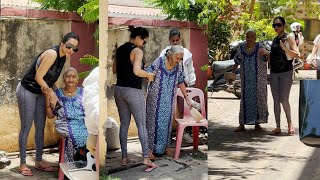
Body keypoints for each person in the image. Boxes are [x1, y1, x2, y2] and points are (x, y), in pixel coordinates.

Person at [16, 32, 79, 176]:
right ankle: (23, 163)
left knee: (41, 126)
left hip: (40, 92)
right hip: (28, 89)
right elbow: (38, 77)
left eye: (75, 49)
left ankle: (38, 161)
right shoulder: (52, 54)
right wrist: (51, 94)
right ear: (62, 43)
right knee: (26, 126)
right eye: (69, 46)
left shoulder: (63, 57)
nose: (71, 50)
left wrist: (59, 94)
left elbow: (49, 79)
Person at [112, 26, 157, 172]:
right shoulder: (137, 51)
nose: (144, 44)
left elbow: (114, 70)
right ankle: (145, 157)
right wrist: (149, 75)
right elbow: (137, 71)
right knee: (141, 125)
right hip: (133, 91)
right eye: (144, 42)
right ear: (139, 37)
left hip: (119, 90)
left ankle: (124, 158)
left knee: (124, 124)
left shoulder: (119, 50)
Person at [146, 45, 192, 159]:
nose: (179, 60)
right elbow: (148, 73)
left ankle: (164, 148)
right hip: (155, 99)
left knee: (166, 123)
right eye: (177, 58)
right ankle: (149, 150)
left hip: (169, 99)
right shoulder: (159, 61)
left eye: (181, 58)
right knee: (153, 123)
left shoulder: (179, 66)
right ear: (170, 55)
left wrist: (187, 97)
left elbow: (181, 81)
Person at [159, 29, 197, 144]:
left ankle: (184, 133)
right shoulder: (165, 52)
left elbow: (190, 69)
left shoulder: (186, 53)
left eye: (177, 40)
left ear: (180, 39)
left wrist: (191, 82)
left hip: (183, 84)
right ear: (169, 40)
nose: (175, 42)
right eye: (173, 40)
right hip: (169, 84)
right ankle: (169, 135)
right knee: (170, 110)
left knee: (184, 109)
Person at [45, 67, 88, 163]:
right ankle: (72, 165)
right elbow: (51, 115)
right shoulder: (58, 94)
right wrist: (47, 98)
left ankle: (83, 162)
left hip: (82, 122)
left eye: (74, 77)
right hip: (64, 123)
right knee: (73, 135)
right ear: (64, 79)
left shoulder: (83, 92)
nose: (71, 79)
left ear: (77, 79)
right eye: (68, 77)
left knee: (88, 134)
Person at [268, 16, 299, 135]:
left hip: (286, 73)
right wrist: (267, 54)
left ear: (284, 26)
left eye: (278, 25)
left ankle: (290, 124)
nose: (276, 27)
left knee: (284, 99)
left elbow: (296, 54)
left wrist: (285, 49)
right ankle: (278, 126)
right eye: (274, 25)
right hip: (274, 73)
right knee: (276, 100)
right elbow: (274, 57)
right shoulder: (275, 40)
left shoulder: (289, 38)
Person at [233, 29, 269, 132]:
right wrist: (233, 73)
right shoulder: (242, 47)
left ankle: (257, 123)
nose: (249, 39)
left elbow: (266, 59)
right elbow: (237, 61)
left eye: (252, 37)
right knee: (245, 99)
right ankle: (242, 124)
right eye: (247, 37)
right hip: (246, 79)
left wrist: (266, 54)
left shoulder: (260, 47)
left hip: (258, 79)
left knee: (258, 99)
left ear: (255, 38)